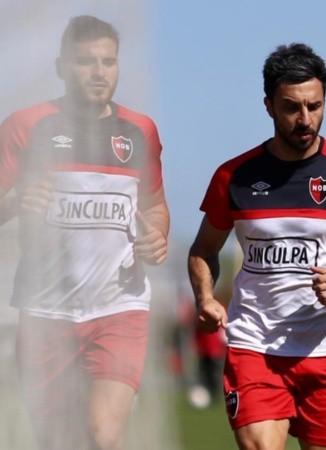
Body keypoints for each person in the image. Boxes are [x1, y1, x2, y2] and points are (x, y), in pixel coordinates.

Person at [187, 42, 326, 450]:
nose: (306, 119)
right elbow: (203, 250)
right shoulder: (234, 176)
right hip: (255, 345)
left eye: (315, 106)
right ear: (268, 105)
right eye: (291, 107)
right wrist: (205, 296)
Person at [0, 15, 169, 450]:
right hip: (45, 315)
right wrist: (16, 202)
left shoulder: (140, 131)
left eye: (109, 61)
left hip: (118, 309)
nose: (99, 72)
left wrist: (157, 237)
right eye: (86, 61)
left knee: (101, 434)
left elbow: (155, 207)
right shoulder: (25, 125)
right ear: (60, 67)